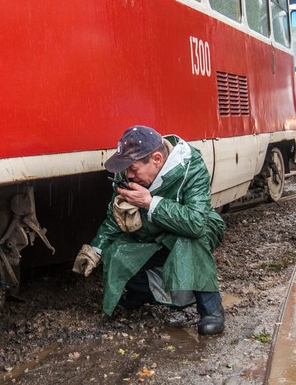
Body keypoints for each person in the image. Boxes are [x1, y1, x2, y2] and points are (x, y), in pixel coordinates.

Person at [72, 125, 227, 335]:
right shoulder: (126, 174)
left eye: (133, 169)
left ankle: (211, 309)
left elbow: (196, 221)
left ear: (156, 159)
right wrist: (95, 250)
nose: (128, 175)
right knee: (116, 255)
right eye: (126, 169)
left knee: (189, 241)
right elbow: (114, 217)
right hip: (152, 233)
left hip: (196, 228)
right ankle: (145, 294)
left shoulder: (191, 165)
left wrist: (150, 203)